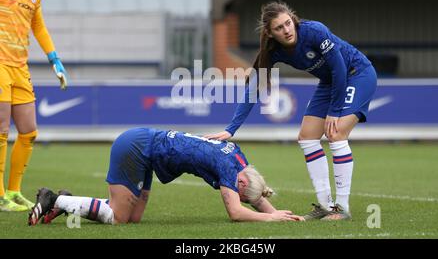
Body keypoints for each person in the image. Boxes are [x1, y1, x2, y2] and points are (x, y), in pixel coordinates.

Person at [206, 1, 378, 221]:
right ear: (270, 33)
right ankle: (326, 206)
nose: (286, 30)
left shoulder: (314, 31)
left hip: (356, 74)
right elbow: (254, 88)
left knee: (335, 134)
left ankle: (342, 208)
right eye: (279, 28)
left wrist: (335, 111)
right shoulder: (272, 51)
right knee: (307, 137)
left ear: (294, 20)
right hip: (329, 81)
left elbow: (339, 68)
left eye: (288, 23)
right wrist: (232, 128)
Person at [28, 127, 303, 225]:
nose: (237, 196)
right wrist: (269, 217)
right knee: (118, 218)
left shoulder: (240, 160)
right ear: (240, 182)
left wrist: (280, 213)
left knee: (132, 219)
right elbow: (236, 213)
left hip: (148, 149)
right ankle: (54, 200)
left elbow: (256, 194)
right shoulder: (230, 169)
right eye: (241, 194)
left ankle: (67, 201)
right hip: (137, 147)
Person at [0, 0, 68, 212]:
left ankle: (14, 191)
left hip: (20, 67)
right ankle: (0, 196)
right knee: (2, 130)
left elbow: (38, 26)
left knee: (29, 132)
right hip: (0, 65)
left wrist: (55, 60)